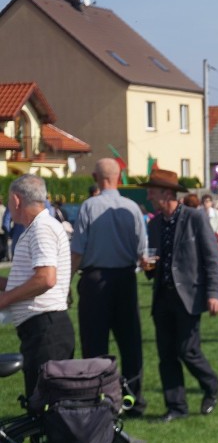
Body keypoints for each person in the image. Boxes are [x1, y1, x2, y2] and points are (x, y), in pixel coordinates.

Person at [142, 169, 218, 422]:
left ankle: (211, 386)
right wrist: (147, 267)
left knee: (188, 350)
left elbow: (212, 258)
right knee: (166, 354)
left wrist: (214, 293)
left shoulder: (194, 218)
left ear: (167, 193)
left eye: (152, 191)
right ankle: (176, 407)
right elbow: (155, 261)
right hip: (162, 297)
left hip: (188, 296)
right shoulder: (154, 224)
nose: (148, 195)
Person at [70, 158, 149, 417]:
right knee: (130, 342)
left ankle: (98, 397)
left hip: (95, 281)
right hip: (125, 279)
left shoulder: (89, 207)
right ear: (118, 176)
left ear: (96, 177)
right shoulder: (132, 208)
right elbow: (142, 251)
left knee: (94, 342)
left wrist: (67, 282)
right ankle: (133, 398)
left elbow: (78, 251)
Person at [0, 174, 74, 397]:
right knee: (41, 404)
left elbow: (45, 278)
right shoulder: (37, 228)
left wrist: (5, 299)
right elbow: (30, 280)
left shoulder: (42, 228)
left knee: (47, 406)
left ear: (16, 199)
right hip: (42, 328)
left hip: (46, 329)